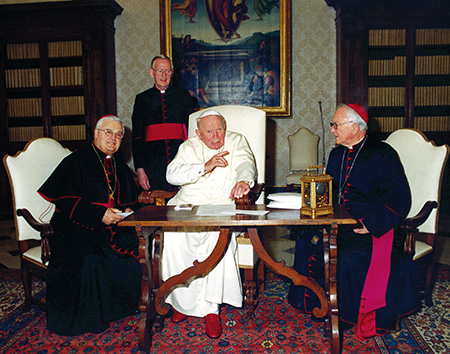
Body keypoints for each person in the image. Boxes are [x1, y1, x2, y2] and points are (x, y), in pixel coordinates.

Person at [288, 104, 421, 339]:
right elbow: (329, 193)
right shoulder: (336, 154)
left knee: (347, 255)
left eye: (335, 125)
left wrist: (370, 224)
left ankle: (345, 317)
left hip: (371, 227)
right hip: (337, 221)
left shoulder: (383, 153)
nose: (332, 130)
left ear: (355, 127)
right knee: (305, 239)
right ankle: (314, 303)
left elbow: (400, 200)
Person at [38, 115, 141, 336]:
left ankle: (120, 308)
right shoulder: (76, 161)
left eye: (119, 135)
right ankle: (86, 319)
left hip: (112, 226)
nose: (113, 138)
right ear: (96, 134)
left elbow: (130, 200)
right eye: (108, 132)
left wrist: (128, 211)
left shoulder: (118, 164)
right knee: (90, 259)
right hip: (75, 226)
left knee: (136, 251)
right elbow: (64, 200)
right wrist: (99, 214)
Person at [161, 109, 257, 339]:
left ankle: (211, 310)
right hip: (187, 207)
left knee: (218, 242)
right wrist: (205, 166)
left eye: (219, 130)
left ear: (225, 127)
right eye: (209, 131)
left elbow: (246, 163)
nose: (216, 136)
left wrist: (244, 181)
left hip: (220, 207)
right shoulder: (188, 146)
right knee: (173, 240)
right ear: (198, 133)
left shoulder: (236, 140)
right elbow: (171, 175)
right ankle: (180, 304)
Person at [131, 54, 198, 191]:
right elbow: (137, 136)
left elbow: (192, 131)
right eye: (160, 71)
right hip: (153, 161)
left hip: (180, 157)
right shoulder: (142, 99)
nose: (164, 75)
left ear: (172, 73)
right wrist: (140, 169)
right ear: (152, 73)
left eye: (168, 71)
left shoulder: (183, 97)